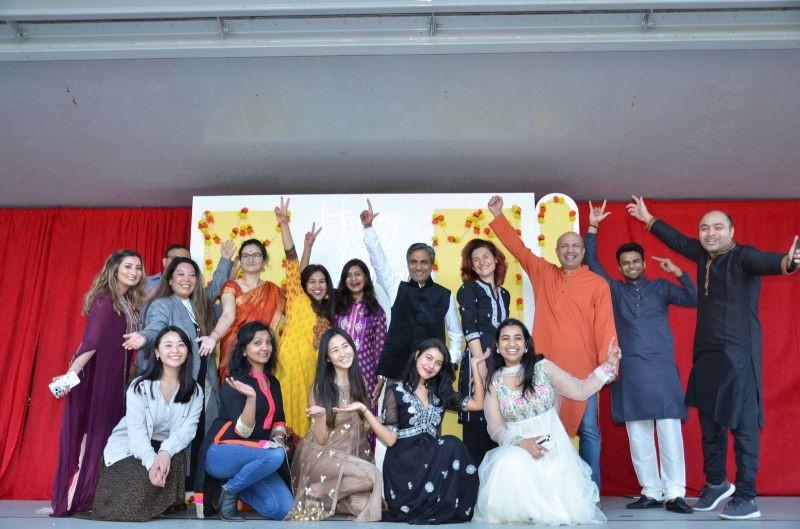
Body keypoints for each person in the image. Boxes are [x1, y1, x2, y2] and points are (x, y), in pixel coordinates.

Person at [627, 196, 800, 520]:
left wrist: (789, 262)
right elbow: (678, 241)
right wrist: (649, 219)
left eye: (718, 227)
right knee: (710, 423)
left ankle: (747, 497)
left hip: (738, 357)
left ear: (731, 231)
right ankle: (717, 482)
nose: (710, 233)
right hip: (706, 355)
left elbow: (769, 262)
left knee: (744, 427)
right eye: (705, 228)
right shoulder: (703, 256)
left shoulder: (743, 256)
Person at [487, 195, 617, 487]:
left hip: (583, 369)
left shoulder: (597, 284)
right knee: (548, 429)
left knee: (589, 431)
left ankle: (589, 489)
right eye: (564, 246)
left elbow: (605, 325)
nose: (570, 251)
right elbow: (518, 250)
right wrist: (498, 216)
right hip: (543, 370)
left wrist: (608, 366)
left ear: (583, 251)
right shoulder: (544, 272)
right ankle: (550, 488)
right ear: (557, 251)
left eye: (575, 246)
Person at [584, 200, 697, 514]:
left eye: (636, 261)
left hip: (661, 368)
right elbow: (590, 261)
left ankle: (675, 493)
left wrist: (678, 272)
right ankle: (651, 490)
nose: (631, 266)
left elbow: (693, 298)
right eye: (626, 263)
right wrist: (593, 227)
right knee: (638, 433)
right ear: (620, 267)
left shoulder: (661, 287)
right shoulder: (615, 291)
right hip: (630, 369)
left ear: (644, 263)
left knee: (669, 429)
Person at [474, 319, 620, 525]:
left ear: (526, 345)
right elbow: (495, 428)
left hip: (553, 449)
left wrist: (608, 367)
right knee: (509, 465)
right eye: (505, 339)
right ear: (497, 346)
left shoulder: (543, 368)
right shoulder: (494, 381)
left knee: (557, 510)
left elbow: (580, 391)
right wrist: (521, 442)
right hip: (517, 447)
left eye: (518, 338)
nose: (512, 344)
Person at [344, 338, 488, 524]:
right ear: (417, 355)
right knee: (450, 443)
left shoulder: (440, 392)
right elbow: (389, 439)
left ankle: (441, 505)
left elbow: (478, 404)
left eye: (438, 363)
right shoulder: (395, 389)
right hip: (404, 465)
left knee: (453, 444)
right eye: (428, 358)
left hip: (431, 462)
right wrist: (364, 411)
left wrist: (476, 367)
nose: (431, 366)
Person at [51, 249, 146, 516]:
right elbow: (90, 342)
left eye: (138, 268)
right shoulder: (107, 299)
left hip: (116, 376)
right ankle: (74, 499)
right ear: (114, 269)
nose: (134, 272)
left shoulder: (127, 300)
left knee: (102, 437)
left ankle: (84, 496)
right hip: (99, 375)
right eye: (128, 267)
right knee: (95, 436)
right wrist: (72, 375)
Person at [122, 257, 223, 488]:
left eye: (192, 275)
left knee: (202, 434)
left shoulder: (199, 304)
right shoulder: (163, 304)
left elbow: (216, 287)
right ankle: (178, 488)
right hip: (181, 376)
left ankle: (195, 490)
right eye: (180, 274)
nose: (186, 279)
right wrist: (144, 337)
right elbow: (156, 327)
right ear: (169, 278)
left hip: (203, 376)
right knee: (185, 434)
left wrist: (225, 259)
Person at [91, 326, 203, 521]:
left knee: (175, 461)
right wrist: (152, 462)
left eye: (180, 345)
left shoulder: (195, 391)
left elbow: (187, 431)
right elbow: (137, 433)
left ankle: (162, 502)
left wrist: (165, 452)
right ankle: (150, 503)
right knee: (134, 491)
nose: (175, 350)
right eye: (168, 345)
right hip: (132, 448)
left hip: (166, 450)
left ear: (188, 352)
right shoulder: (139, 387)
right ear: (157, 353)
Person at [360, 199, 463, 405]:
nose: (418, 267)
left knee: (429, 430)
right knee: (393, 428)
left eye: (424, 262)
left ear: (431, 265)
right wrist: (369, 228)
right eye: (413, 262)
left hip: (431, 375)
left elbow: (455, 334)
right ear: (408, 264)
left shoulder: (445, 295)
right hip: (396, 371)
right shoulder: (396, 287)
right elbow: (378, 262)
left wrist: (448, 362)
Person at [199, 321, 293, 521]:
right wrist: (251, 398)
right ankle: (229, 490)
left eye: (268, 342)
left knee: (283, 509)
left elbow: (278, 422)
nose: (265, 347)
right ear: (243, 350)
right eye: (257, 343)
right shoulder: (235, 381)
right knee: (275, 456)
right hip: (221, 452)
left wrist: (279, 441)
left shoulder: (273, 382)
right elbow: (243, 431)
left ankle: (235, 485)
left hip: (256, 457)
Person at [286, 328, 382, 522]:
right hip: (323, 454)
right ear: (328, 358)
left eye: (345, 346)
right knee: (372, 475)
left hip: (349, 453)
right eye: (335, 350)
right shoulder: (321, 388)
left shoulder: (359, 381)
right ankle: (319, 489)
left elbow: (360, 427)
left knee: (367, 503)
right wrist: (320, 416)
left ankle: (327, 498)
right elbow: (320, 439)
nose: (343, 353)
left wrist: (375, 421)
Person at [274, 197, 333, 438]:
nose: (317, 286)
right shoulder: (297, 299)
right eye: (312, 282)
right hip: (290, 370)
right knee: (288, 424)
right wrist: (285, 225)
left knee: (311, 428)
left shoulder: (329, 313)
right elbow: (292, 263)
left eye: (322, 282)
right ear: (304, 285)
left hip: (313, 375)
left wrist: (310, 247)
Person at [455, 238, 510, 465]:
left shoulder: (504, 294)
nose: (481, 262)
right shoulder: (468, 289)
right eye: (475, 260)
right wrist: (481, 367)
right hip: (479, 363)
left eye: (485, 257)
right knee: (477, 427)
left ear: (496, 260)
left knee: (500, 424)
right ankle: (473, 494)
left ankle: (496, 491)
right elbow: (471, 329)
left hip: (500, 364)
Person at [214, 238, 286, 378]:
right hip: (232, 350)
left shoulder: (273, 290)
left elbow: (294, 315)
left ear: (264, 261)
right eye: (246, 255)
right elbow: (228, 315)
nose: (250, 259)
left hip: (260, 352)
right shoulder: (231, 286)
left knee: (259, 392)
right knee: (233, 393)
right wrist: (213, 337)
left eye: (256, 255)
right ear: (240, 260)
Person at [333, 259, 387, 405]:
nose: (353, 279)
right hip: (336, 371)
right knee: (338, 414)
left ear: (366, 278)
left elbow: (380, 348)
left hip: (366, 372)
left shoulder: (376, 312)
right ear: (344, 280)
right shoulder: (336, 307)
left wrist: (381, 378)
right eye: (349, 275)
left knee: (364, 417)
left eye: (358, 274)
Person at [146, 241, 234, 299]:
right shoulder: (146, 283)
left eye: (185, 259)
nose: (179, 263)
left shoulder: (191, 286)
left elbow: (214, 290)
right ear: (164, 261)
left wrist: (225, 259)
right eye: (175, 258)